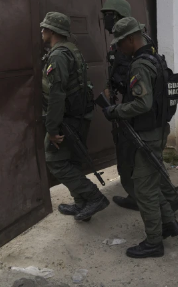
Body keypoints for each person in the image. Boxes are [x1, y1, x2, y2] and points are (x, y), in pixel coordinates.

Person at [101, 17, 178, 258]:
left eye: (120, 43)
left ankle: (154, 242)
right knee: (151, 182)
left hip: (146, 135)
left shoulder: (139, 65)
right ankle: (169, 223)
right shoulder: (155, 58)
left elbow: (142, 103)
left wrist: (114, 111)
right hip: (157, 131)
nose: (118, 48)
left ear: (130, 39)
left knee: (144, 190)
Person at [40, 12, 109, 222]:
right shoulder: (71, 50)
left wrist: (52, 129)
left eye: (44, 28)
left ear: (52, 31)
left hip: (66, 119)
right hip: (77, 116)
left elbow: (56, 94)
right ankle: (82, 204)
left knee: (56, 162)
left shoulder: (59, 55)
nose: (41, 31)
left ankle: (93, 197)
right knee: (71, 161)